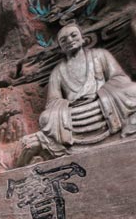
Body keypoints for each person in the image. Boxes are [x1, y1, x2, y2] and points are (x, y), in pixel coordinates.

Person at [21, 23, 136, 161]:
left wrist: (101, 94)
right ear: (61, 48)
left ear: (83, 38)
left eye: (73, 35)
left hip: (103, 103)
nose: (69, 40)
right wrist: (67, 105)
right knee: (46, 117)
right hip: (75, 112)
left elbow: (119, 78)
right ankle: (68, 140)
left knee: (132, 90)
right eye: (63, 40)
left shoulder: (100, 55)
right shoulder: (58, 71)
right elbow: (53, 101)